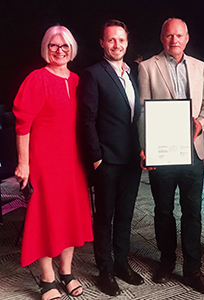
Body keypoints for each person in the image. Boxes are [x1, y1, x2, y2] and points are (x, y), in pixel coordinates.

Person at [138, 18, 204, 295]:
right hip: (162, 151)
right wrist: (145, 146)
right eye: (169, 35)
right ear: (162, 38)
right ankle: (167, 261)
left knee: (192, 212)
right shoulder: (148, 67)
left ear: (187, 38)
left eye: (179, 35)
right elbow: (143, 112)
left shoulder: (200, 67)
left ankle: (193, 269)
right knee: (163, 210)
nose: (174, 40)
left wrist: (201, 123)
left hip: (193, 151)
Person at [13, 25, 93, 300]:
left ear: (72, 50)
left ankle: (67, 272)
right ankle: (47, 279)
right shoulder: (36, 79)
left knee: (70, 217)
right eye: (53, 46)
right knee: (47, 218)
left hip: (73, 162)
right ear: (45, 48)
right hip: (45, 162)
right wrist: (24, 164)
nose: (59, 51)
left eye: (64, 46)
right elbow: (22, 125)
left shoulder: (77, 80)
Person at [77, 20, 143, 296]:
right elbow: (86, 119)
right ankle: (104, 270)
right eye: (111, 40)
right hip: (106, 160)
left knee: (126, 215)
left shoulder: (133, 73)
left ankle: (121, 264)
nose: (117, 45)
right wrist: (95, 158)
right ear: (102, 43)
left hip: (131, 160)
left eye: (121, 40)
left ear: (127, 42)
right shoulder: (93, 74)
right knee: (104, 217)